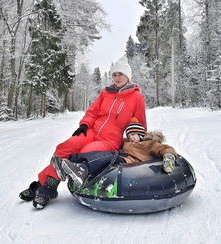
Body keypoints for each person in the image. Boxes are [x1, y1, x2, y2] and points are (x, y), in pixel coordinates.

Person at [19, 56, 147, 209]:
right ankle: (47, 186)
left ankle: (43, 187)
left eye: (121, 74)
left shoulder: (136, 97)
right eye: (114, 74)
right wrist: (85, 124)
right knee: (65, 147)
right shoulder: (105, 93)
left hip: (110, 140)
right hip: (93, 131)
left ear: (128, 76)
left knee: (84, 152)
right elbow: (93, 111)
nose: (117, 78)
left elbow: (139, 123)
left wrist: (137, 138)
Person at [51, 117, 177, 188]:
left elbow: (165, 149)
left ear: (141, 134)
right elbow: (114, 139)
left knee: (106, 156)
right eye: (129, 135)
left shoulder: (150, 143)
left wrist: (169, 157)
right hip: (121, 158)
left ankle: (82, 170)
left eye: (133, 134)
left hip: (129, 162)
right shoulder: (128, 142)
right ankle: (68, 164)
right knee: (97, 154)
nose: (131, 137)